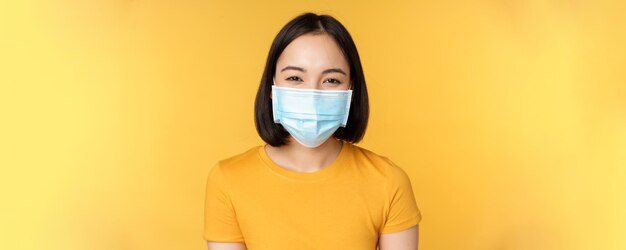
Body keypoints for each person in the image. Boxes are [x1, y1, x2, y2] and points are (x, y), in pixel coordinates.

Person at [204, 12, 422, 250]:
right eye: (295, 77)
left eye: (331, 80)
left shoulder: (388, 182)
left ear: (351, 91)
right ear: (271, 87)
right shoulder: (228, 179)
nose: (313, 94)